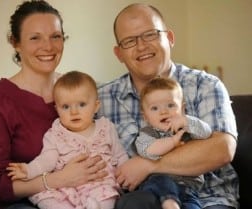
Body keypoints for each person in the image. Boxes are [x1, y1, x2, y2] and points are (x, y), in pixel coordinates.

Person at [96, 3, 239, 209]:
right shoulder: (102, 100)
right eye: (129, 41)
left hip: (208, 199)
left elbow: (222, 148)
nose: (141, 46)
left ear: (170, 38)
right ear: (118, 53)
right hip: (144, 201)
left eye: (150, 34)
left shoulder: (205, 85)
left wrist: (148, 164)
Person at [0, 1, 106, 209]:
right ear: (15, 42)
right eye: (35, 38)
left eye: (55, 36)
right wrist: (59, 179)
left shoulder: (76, 90)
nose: (48, 46)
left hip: (80, 195)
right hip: (19, 204)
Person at [6, 71, 129, 209]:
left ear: (96, 106)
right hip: (64, 186)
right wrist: (28, 170)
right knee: (45, 197)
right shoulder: (55, 134)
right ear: (57, 109)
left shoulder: (106, 128)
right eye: (65, 107)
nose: (74, 112)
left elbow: (120, 155)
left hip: (99, 183)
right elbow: (47, 159)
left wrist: (126, 177)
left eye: (81, 104)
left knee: (107, 198)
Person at [135, 77, 212, 209]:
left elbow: (207, 133)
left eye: (170, 105)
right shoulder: (147, 133)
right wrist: (172, 141)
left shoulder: (187, 128)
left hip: (188, 187)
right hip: (158, 188)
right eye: (154, 108)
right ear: (145, 116)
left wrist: (186, 121)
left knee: (193, 205)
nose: (163, 111)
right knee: (162, 182)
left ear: (182, 108)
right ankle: (170, 203)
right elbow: (147, 151)